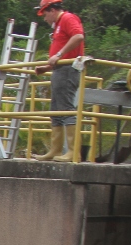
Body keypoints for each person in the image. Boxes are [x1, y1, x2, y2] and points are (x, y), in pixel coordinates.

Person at [33, 0, 85, 162]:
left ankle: (73, 151)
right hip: (60, 70)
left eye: (45, 14)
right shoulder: (58, 25)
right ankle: (55, 150)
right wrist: (46, 68)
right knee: (56, 109)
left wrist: (59, 54)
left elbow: (78, 36)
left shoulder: (68, 19)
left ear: (53, 10)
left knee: (66, 108)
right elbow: (57, 57)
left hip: (68, 70)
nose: (45, 18)